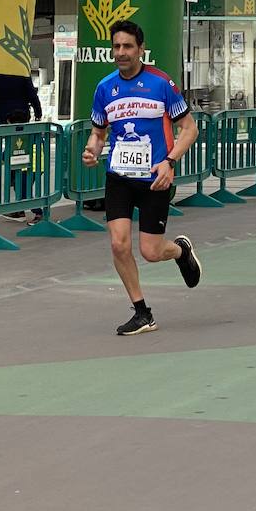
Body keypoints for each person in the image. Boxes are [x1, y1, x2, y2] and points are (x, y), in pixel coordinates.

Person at [81, 19, 202, 336]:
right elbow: (98, 132)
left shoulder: (161, 84)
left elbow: (189, 129)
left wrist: (170, 162)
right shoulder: (105, 88)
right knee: (118, 244)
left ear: (141, 50)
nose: (121, 52)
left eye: (127, 47)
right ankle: (142, 312)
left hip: (155, 178)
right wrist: (92, 150)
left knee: (150, 251)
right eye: (116, 46)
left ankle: (180, 251)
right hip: (119, 176)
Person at [0, 71, 46, 222]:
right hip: (22, 115)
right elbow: (32, 94)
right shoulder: (21, 71)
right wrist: (38, 112)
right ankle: (19, 207)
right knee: (20, 154)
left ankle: (22, 208)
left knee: (14, 159)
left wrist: (2, 106)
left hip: (5, 116)